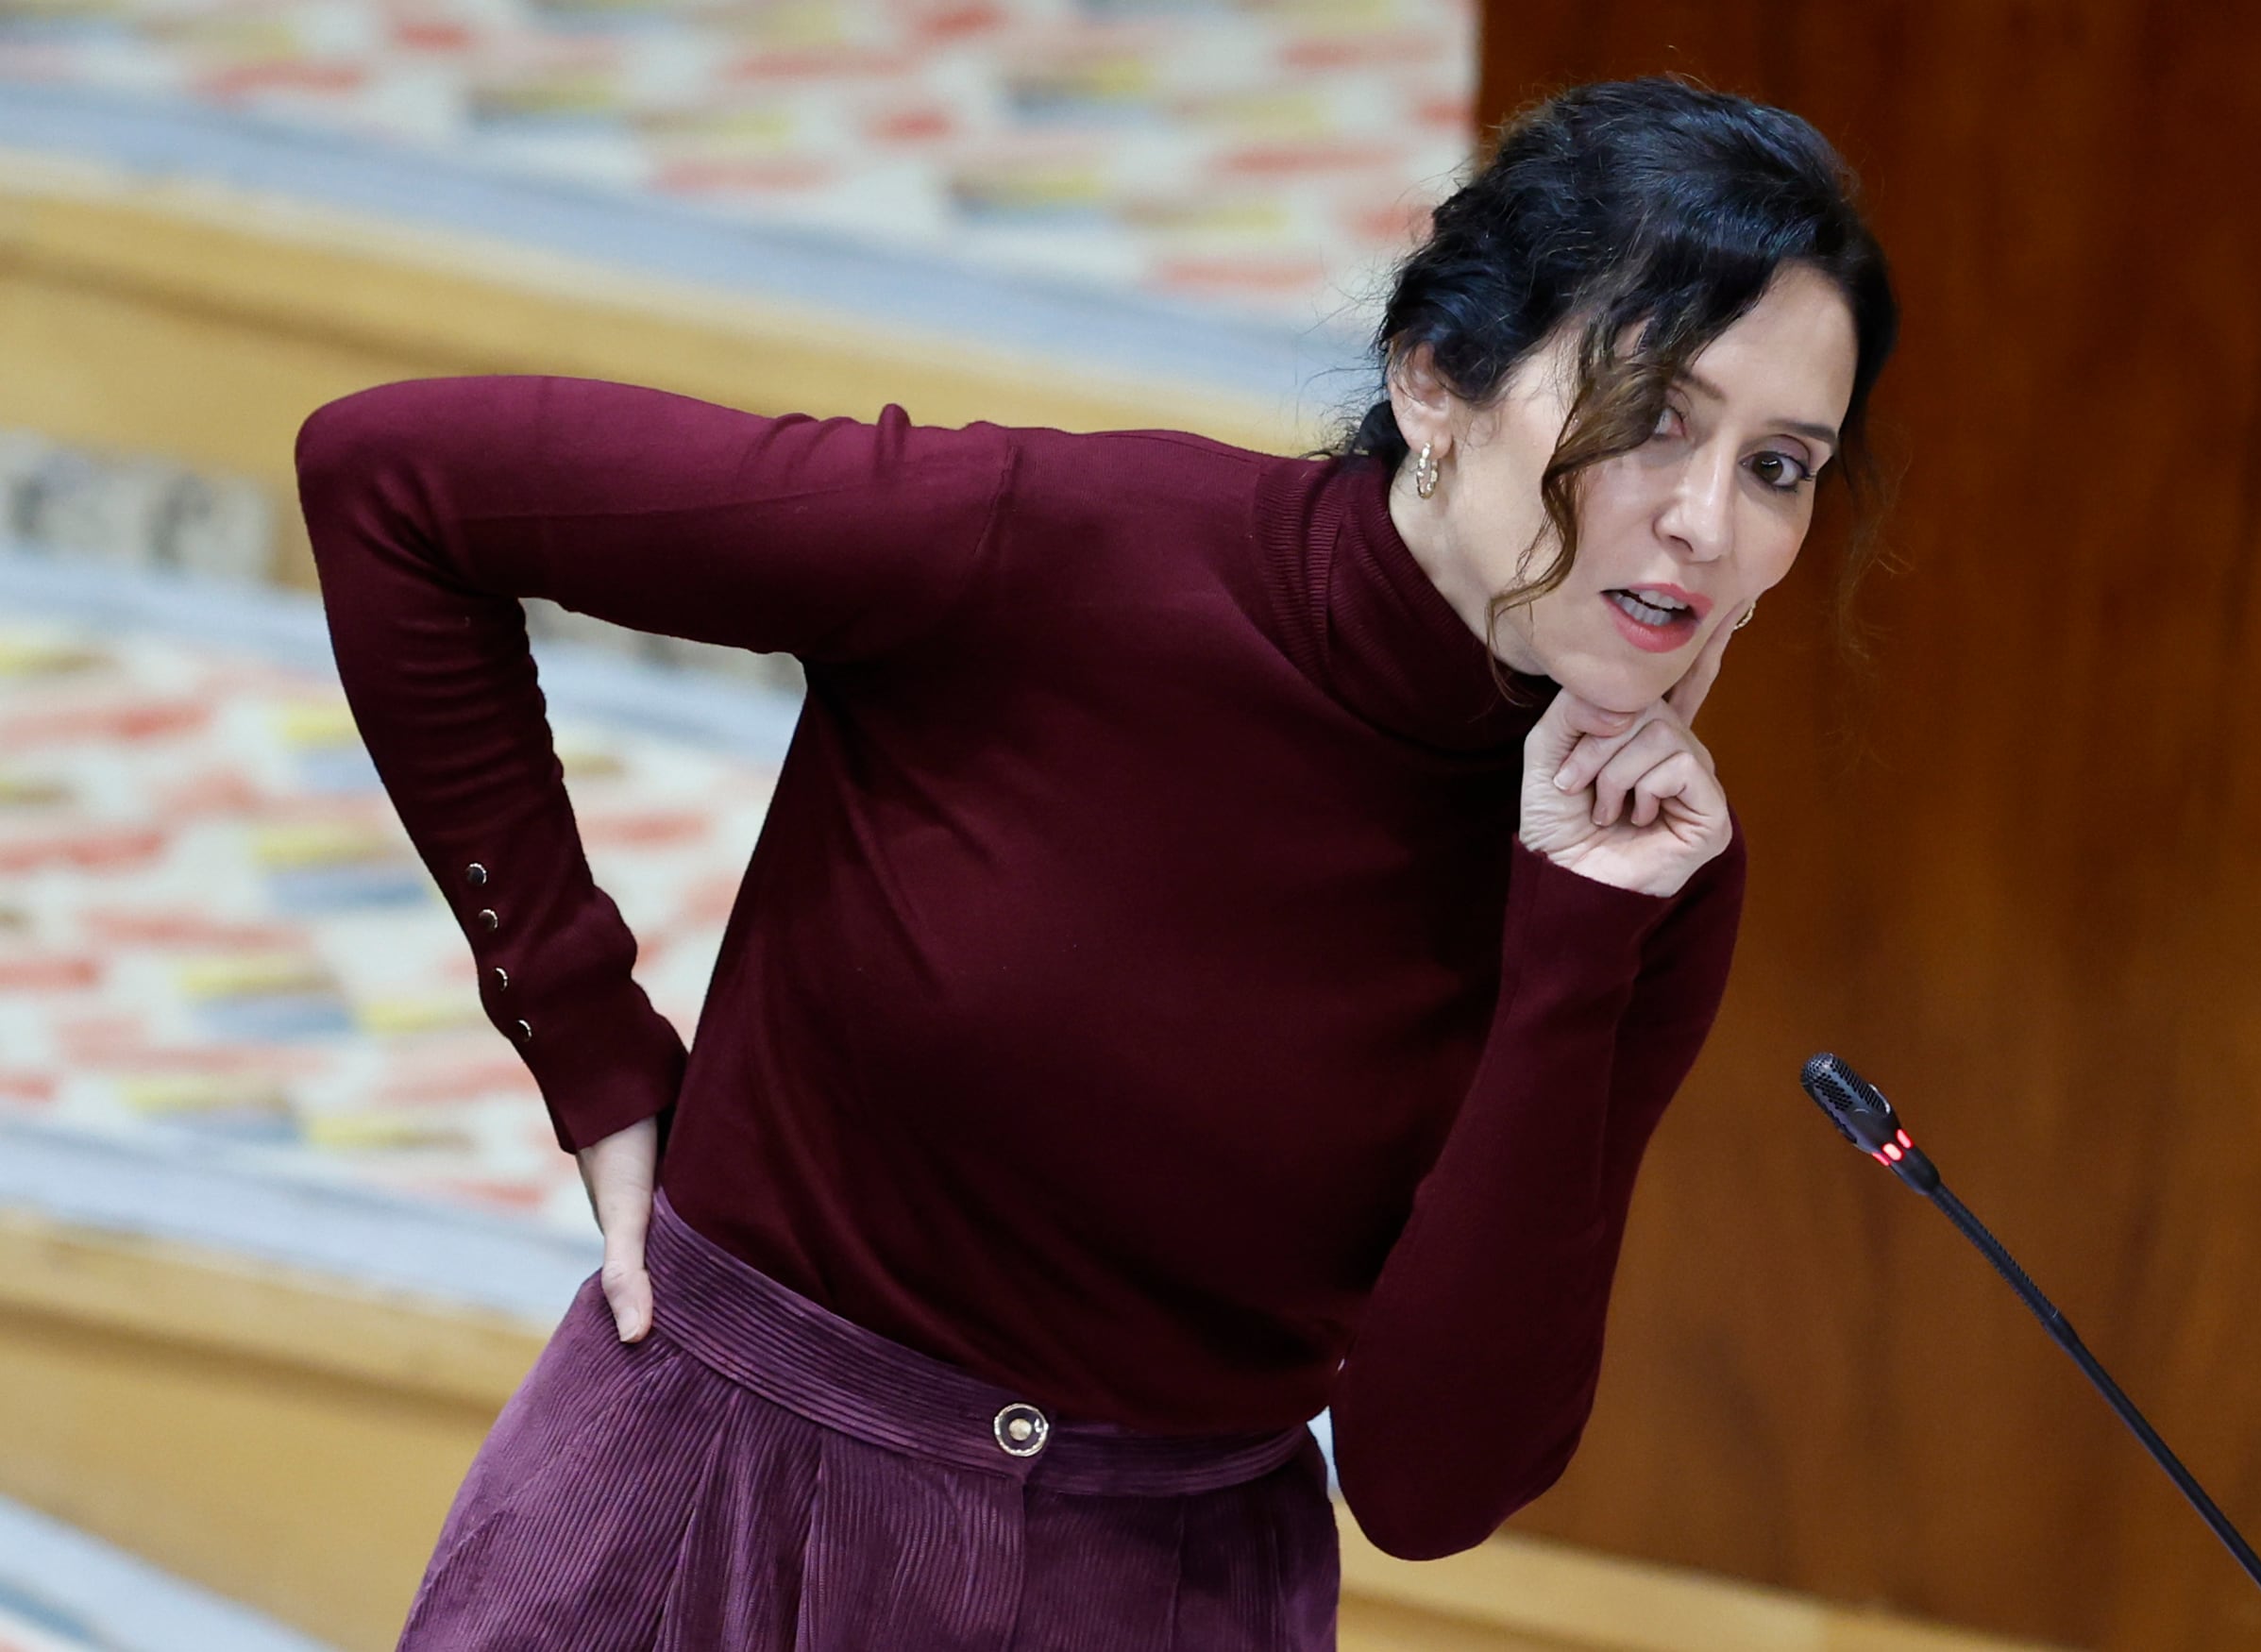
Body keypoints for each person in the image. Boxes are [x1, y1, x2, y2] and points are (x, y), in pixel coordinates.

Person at [295, 73, 1898, 1652]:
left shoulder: (1639, 880)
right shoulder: (1051, 548)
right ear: (1433, 380)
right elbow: (397, 483)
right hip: (709, 1518)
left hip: (1176, 1597)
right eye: (1650, 418)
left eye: (1778, 466)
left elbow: (1426, 1484)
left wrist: (1569, 947)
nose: (1703, 521)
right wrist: (582, 1032)